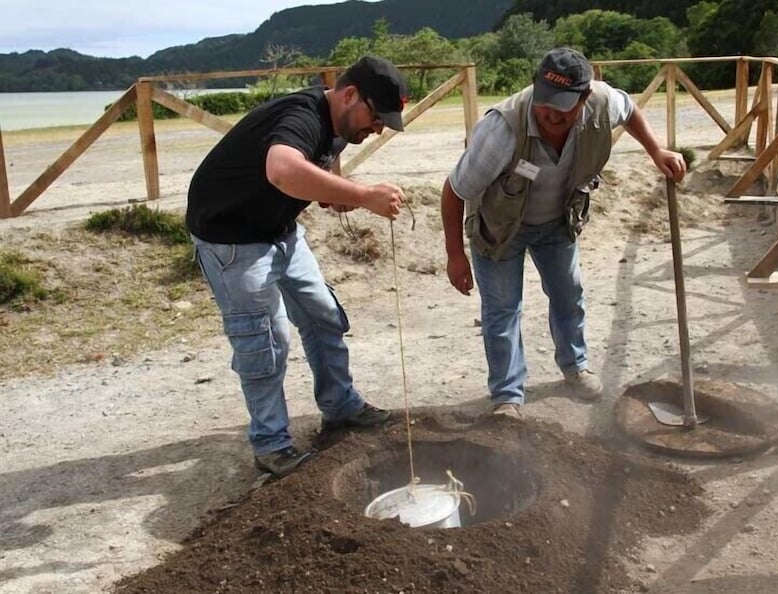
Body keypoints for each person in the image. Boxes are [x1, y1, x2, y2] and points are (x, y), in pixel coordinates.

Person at [187, 55, 409, 477]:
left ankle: (340, 406)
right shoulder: (302, 115)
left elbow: (314, 166)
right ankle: (271, 444)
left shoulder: (340, 126)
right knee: (266, 342)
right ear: (349, 95)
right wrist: (364, 195)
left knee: (323, 314)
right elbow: (283, 170)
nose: (378, 128)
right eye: (377, 117)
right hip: (231, 240)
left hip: (280, 231)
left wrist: (333, 193)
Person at [441, 47, 687, 419]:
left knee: (569, 295)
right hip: (499, 228)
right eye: (546, 103)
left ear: (585, 98)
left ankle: (575, 367)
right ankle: (507, 396)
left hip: (557, 220)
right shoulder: (502, 129)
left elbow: (629, 109)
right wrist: (454, 255)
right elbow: (454, 189)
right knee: (502, 310)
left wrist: (656, 151)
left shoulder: (601, 102)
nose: (551, 114)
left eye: (564, 107)